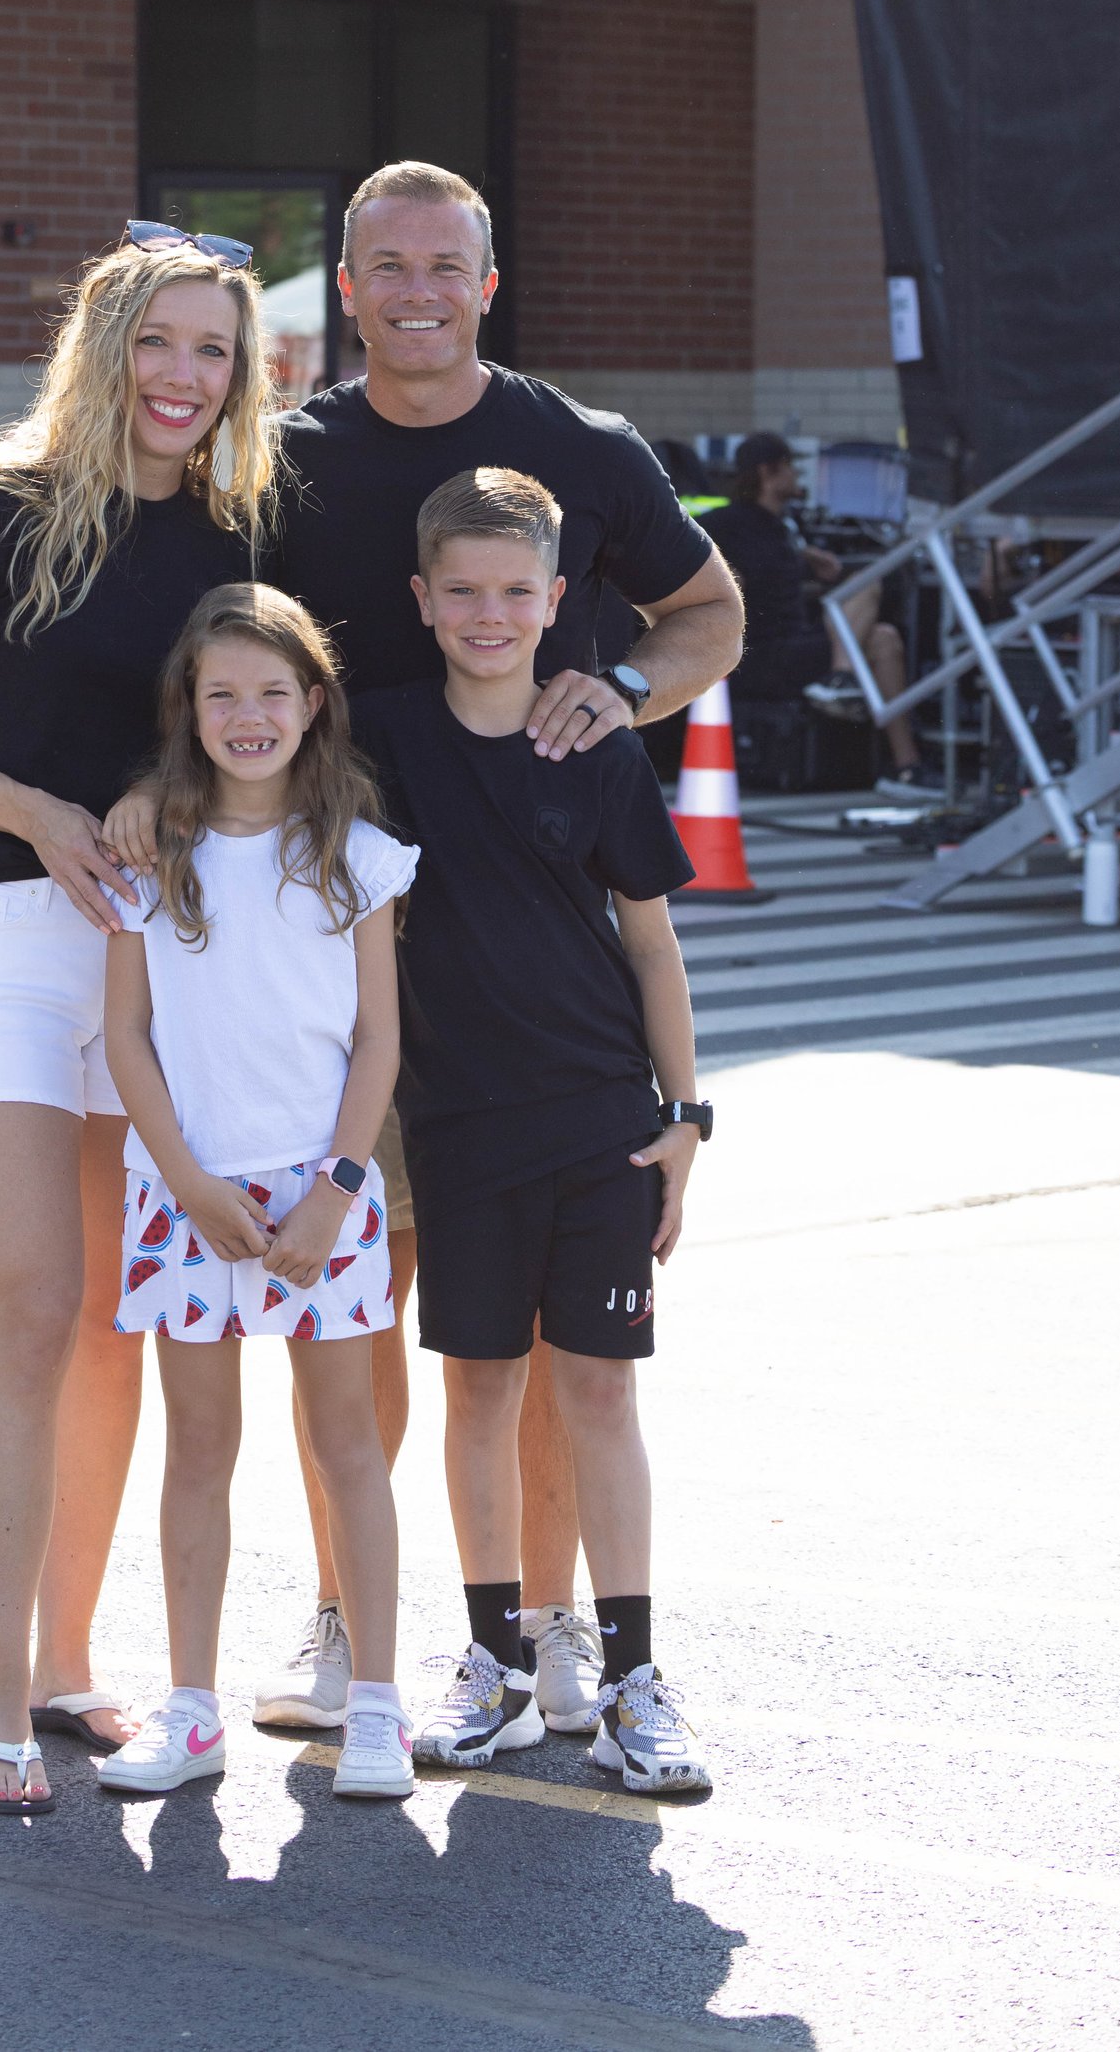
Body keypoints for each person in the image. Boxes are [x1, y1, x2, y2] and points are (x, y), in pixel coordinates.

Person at [226, 157, 743, 1745]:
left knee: (535, 1339)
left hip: (536, 977)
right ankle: (345, 1611)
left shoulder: (577, 448)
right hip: (342, 963)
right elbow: (217, 651)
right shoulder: (286, 461)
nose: (417, 290)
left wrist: (627, 692)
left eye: (445, 264)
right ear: (350, 282)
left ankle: (555, 1628)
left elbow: (708, 611)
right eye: (386, 265)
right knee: (354, 1311)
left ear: (487, 282)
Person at [0, 225, 280, 1818]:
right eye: (160, 344)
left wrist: (170, 795)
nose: (184, 378)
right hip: (9, 934)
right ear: (105, 351)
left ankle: (64, 1668)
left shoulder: (240, 532)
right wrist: (38, 816)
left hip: (163, 948)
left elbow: (250, 735)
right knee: (30, 1313)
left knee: (115, 1325)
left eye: (213, 351)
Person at [351, 466, 714, 1796]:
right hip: (457, 1132)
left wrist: (687, 1119)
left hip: (603, 1126)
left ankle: (629, 1680)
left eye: (517, 591)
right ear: (423, 601)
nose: (490, 614)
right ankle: (497, 1663)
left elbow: (655, 947)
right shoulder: (381, 739)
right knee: (480, 1393)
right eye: (465, 592)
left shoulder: (599, 743)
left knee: (603, 1394)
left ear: (561, 602)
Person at [93, 584, 419, 1804]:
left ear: (313, 702)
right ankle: (189, 1707)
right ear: (188, 705)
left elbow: (378, 1040)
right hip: (181, 1191)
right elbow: (127, 1036)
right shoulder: (147, 856)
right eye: (221, 692)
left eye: (272, 690)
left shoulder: (356, 854)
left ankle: (377, 1704)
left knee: (349, 1450)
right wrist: (182, 1177)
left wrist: (337, 1188)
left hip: (321, 1190)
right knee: (198, 1451)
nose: (247, 714)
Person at [709, 430, 919, 774]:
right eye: (789, 467)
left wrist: (805, 556)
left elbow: (773, 552)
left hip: (795, 645)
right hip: (762, 655)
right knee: (867, 587)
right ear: (768, 472)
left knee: (884, 636)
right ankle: (840, 678)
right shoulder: (726, 524)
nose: (796, 475)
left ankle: (907, 766)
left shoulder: (784, 527)